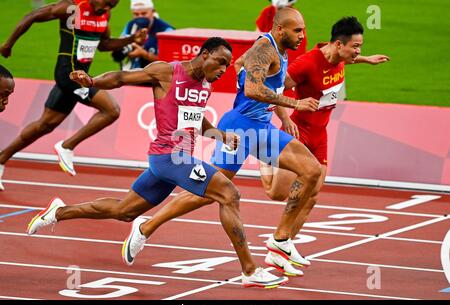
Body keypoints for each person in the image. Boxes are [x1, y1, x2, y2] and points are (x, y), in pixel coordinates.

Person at [26, 37, 289, 289]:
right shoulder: (167, 72)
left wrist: (220, 136)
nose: (223, 70)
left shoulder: (205, 86)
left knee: (124, 211)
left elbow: (196, 121)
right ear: (204, 54)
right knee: (229, 194)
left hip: (177, 159)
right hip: (169, 156)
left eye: (227, 66)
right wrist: (93, 80)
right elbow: (120, 78)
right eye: (219, 62)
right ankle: (250, 270)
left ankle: (58, 212)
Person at [117, 7, 323, 278]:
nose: (302, 35)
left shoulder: (279, 52)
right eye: (297, 30)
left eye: (303, 30)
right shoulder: (265, 48)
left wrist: (282, 115)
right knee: (208, 194)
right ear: (280, 29)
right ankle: (146, 227)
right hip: (239, 128)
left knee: (311, 170)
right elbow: (252, 88)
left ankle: (280, 242)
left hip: (261, 128)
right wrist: (294, 103)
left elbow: (243, 69)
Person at [259, 16, 390, 257]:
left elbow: (342, 62)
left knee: (311, 196)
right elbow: (273, 89)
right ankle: (263, 157)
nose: (358, 50)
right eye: (356, 47)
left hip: (321, 136)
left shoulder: (339, 57)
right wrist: (286, 117)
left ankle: (283, 246)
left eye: (360, 46)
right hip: (299, 132)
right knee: (277, 194)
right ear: (339, 44)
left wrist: (365, 60)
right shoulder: (306, 64)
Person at [0, 0, 147, 188]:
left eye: (112, 6)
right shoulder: (72, 9)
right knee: (112, 110)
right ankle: (67, 146)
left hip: (80, 77)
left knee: (45, 124)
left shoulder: (103, 15)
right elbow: (33, 16)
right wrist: (8, 44)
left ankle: (1, 159)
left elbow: (104, 44)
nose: (107, 9)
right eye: (107, 3)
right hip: (69, 75)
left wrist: (131, 38)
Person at [112, 0, 174, 71]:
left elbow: (171, 62)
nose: (140, 17)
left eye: (144, 13)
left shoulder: (166, 31)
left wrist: (144, 54)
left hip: (156, 77)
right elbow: (119, 51)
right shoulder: (130, 25)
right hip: (133, 74)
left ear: (153, 11)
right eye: (136, 14)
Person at [256, 0, 307, 64]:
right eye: (279, 8)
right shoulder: (267, 12)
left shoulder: (295, 18)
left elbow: (297, 51)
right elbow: (256, 37)